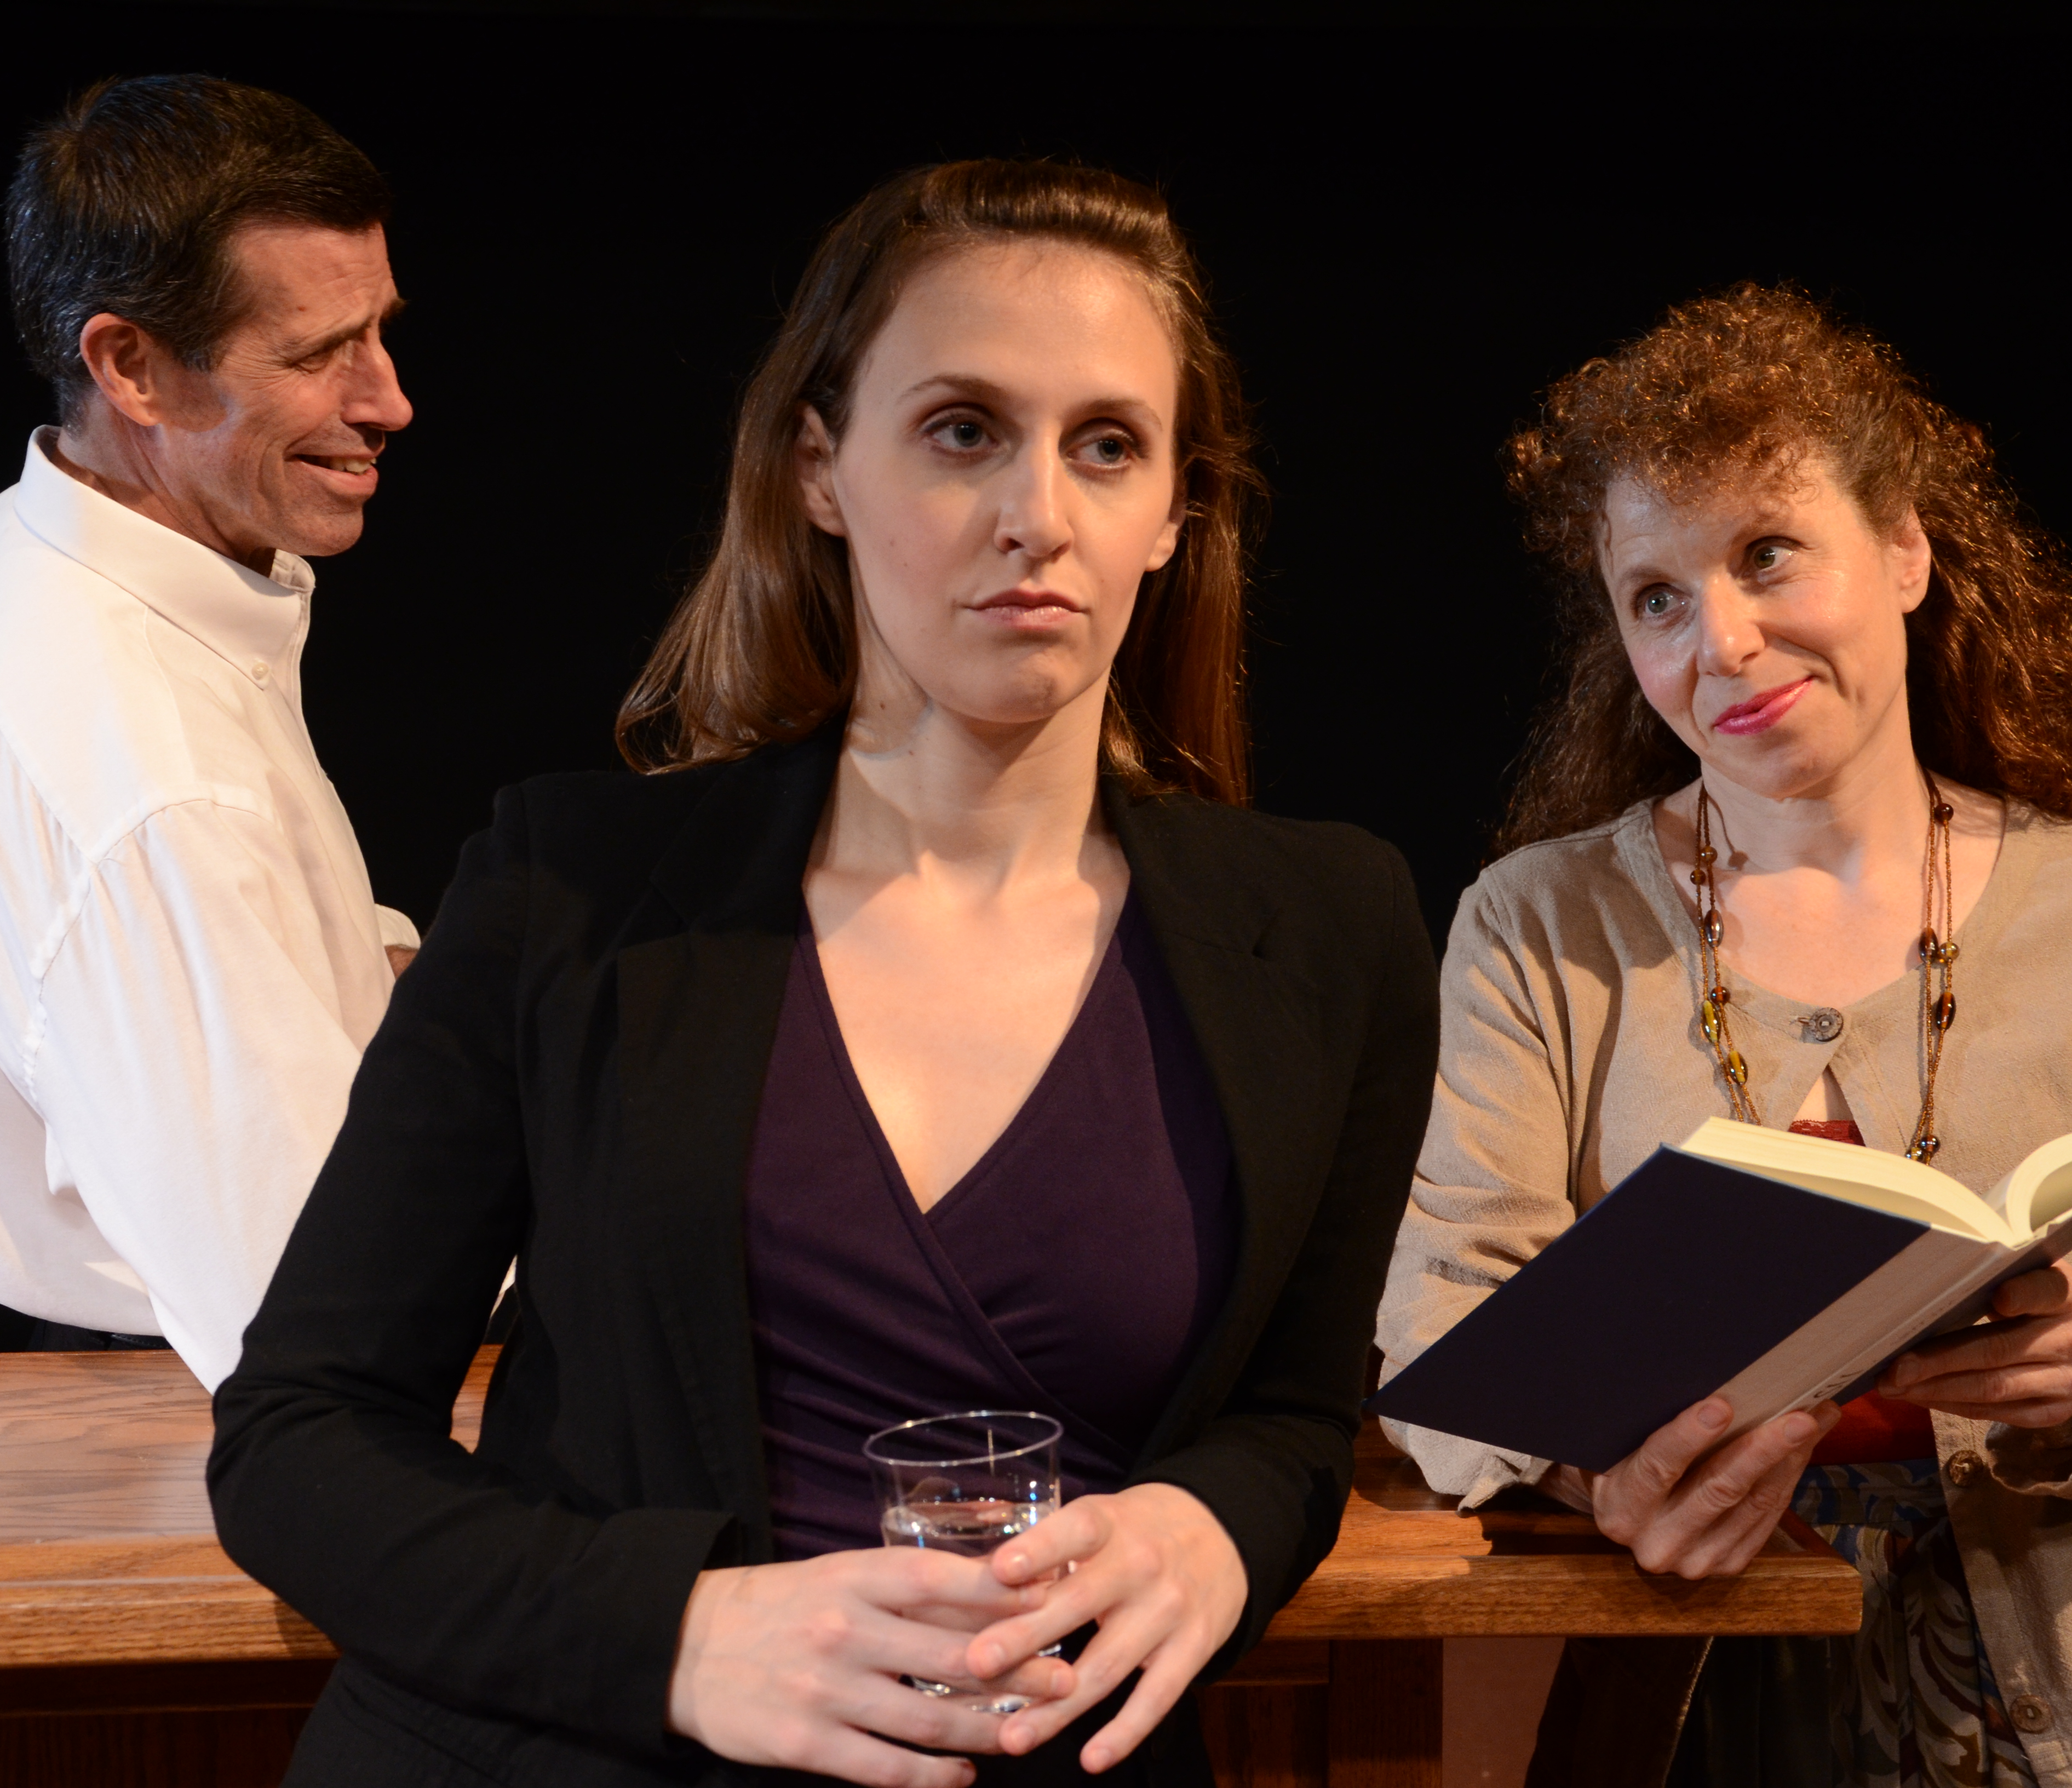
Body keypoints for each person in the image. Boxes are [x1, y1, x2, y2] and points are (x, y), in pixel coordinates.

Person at [207, 159, 1436, 1788]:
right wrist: (678, 1635)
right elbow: (297, 1439)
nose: (1039, 516)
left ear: (1173, 513)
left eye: (1106, 446)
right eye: (962, 431)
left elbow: (1290, 1418)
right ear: (820, 468)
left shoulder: (1330, 928)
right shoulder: (569, 891)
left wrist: (1220, 1525)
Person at [1375, 285, 2072, 1787]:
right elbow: (1444, 1328)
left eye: (1766, 554)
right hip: (1719, 1705)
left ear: (1906, 551)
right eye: (1655, 598)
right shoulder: (1540, 925)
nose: (1722, 638)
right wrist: (1601, 1480)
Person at [0, 76, 421, 1388]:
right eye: (317, 354)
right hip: (210, 1407)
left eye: (380, 332)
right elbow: (305, 1304)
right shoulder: (158, 791)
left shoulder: (18, 545)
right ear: (129, 366)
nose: (388, 401)